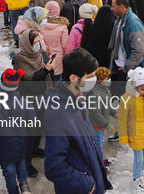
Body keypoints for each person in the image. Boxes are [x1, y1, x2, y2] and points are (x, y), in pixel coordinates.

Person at [43, 48, 112, 194]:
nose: (95, 79)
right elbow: (53, 167)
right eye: (90, 76)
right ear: (74, 78)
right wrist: (86, 184)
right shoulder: (58, 114)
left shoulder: (78, 97)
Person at [12, 29, 55, 176]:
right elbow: (28, 80)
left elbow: (47, 74)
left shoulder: (40, 54)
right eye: (35, 43)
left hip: (43, 95)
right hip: (29, 98)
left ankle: (35, 149)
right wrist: (46, 70)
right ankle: (26, 161)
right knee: (30, 131)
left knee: (40, 126)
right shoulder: (19, 58)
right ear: (27, 44)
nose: (38, 46)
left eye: (39, 42)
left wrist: (50, 68)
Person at [0, 68, 35, 194]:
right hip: (21, 143)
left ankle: (13, 191)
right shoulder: (26, 103)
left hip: (4, 147)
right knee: (21, 161)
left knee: (9, 171)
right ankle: (24, 185)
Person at [117, 67, 144, 191]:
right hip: (135, 131)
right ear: (135, 86)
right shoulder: (126, 98)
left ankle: (143, 169)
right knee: (139, 156)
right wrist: (123, 136)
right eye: (142, 89)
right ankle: (136, 178)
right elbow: (122, 119)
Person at [87, 67, 116, 162]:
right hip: (96, 125)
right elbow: (95, 113)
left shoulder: (105, 90)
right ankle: (97, 164)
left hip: (101, 125)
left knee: (101, 142)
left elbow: (107, 105)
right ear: (100, 80)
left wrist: (114, 113)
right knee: (97, 145)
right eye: (106, 78)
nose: (109, 80)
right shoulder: (95, 94)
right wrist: (107, 125)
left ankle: (99, 160)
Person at [41, 1, 69, 81]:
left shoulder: (41, 27)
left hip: (45, 58)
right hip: (58, 58)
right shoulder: (63, 27)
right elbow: (65, 46)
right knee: (57, 79)